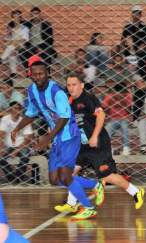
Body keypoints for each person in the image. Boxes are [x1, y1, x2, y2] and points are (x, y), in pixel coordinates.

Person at [11, 61, 97, 220]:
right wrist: (17, 128)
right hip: (57, 137)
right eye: (34, 74)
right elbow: (31, 113)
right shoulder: (31, 91)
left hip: (70, 136)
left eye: (41, 73)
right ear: (30, 74)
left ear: (48, 73)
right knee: (54, 179)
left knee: (65, 176)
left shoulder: (57, 91)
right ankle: (95, 185)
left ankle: (89, 207)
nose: (38, 77)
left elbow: (64, 117)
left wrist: (47, 138)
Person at [54, 73, 144, 214]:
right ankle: (72, 203)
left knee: (107, 176)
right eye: (69, 85)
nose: (71, 87)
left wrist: (95, 136)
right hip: (82, 145)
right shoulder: (70, 102)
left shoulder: (88, 98)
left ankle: (136, 191)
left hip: (98, 144)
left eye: (74, 84)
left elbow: (101, 115)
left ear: (82, 85)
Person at [0, 101, 33, 184]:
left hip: (22, 146)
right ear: (10, 110)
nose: (17, 110)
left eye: (19, 108)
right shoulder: (5, 119)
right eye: (15, 108)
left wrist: (17, 150)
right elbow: (1, 135)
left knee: (25, 155)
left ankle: (18, 178)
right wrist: (2, 147)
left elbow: (27, 140)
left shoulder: (24, 120)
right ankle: (12, 177)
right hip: (9, 146)